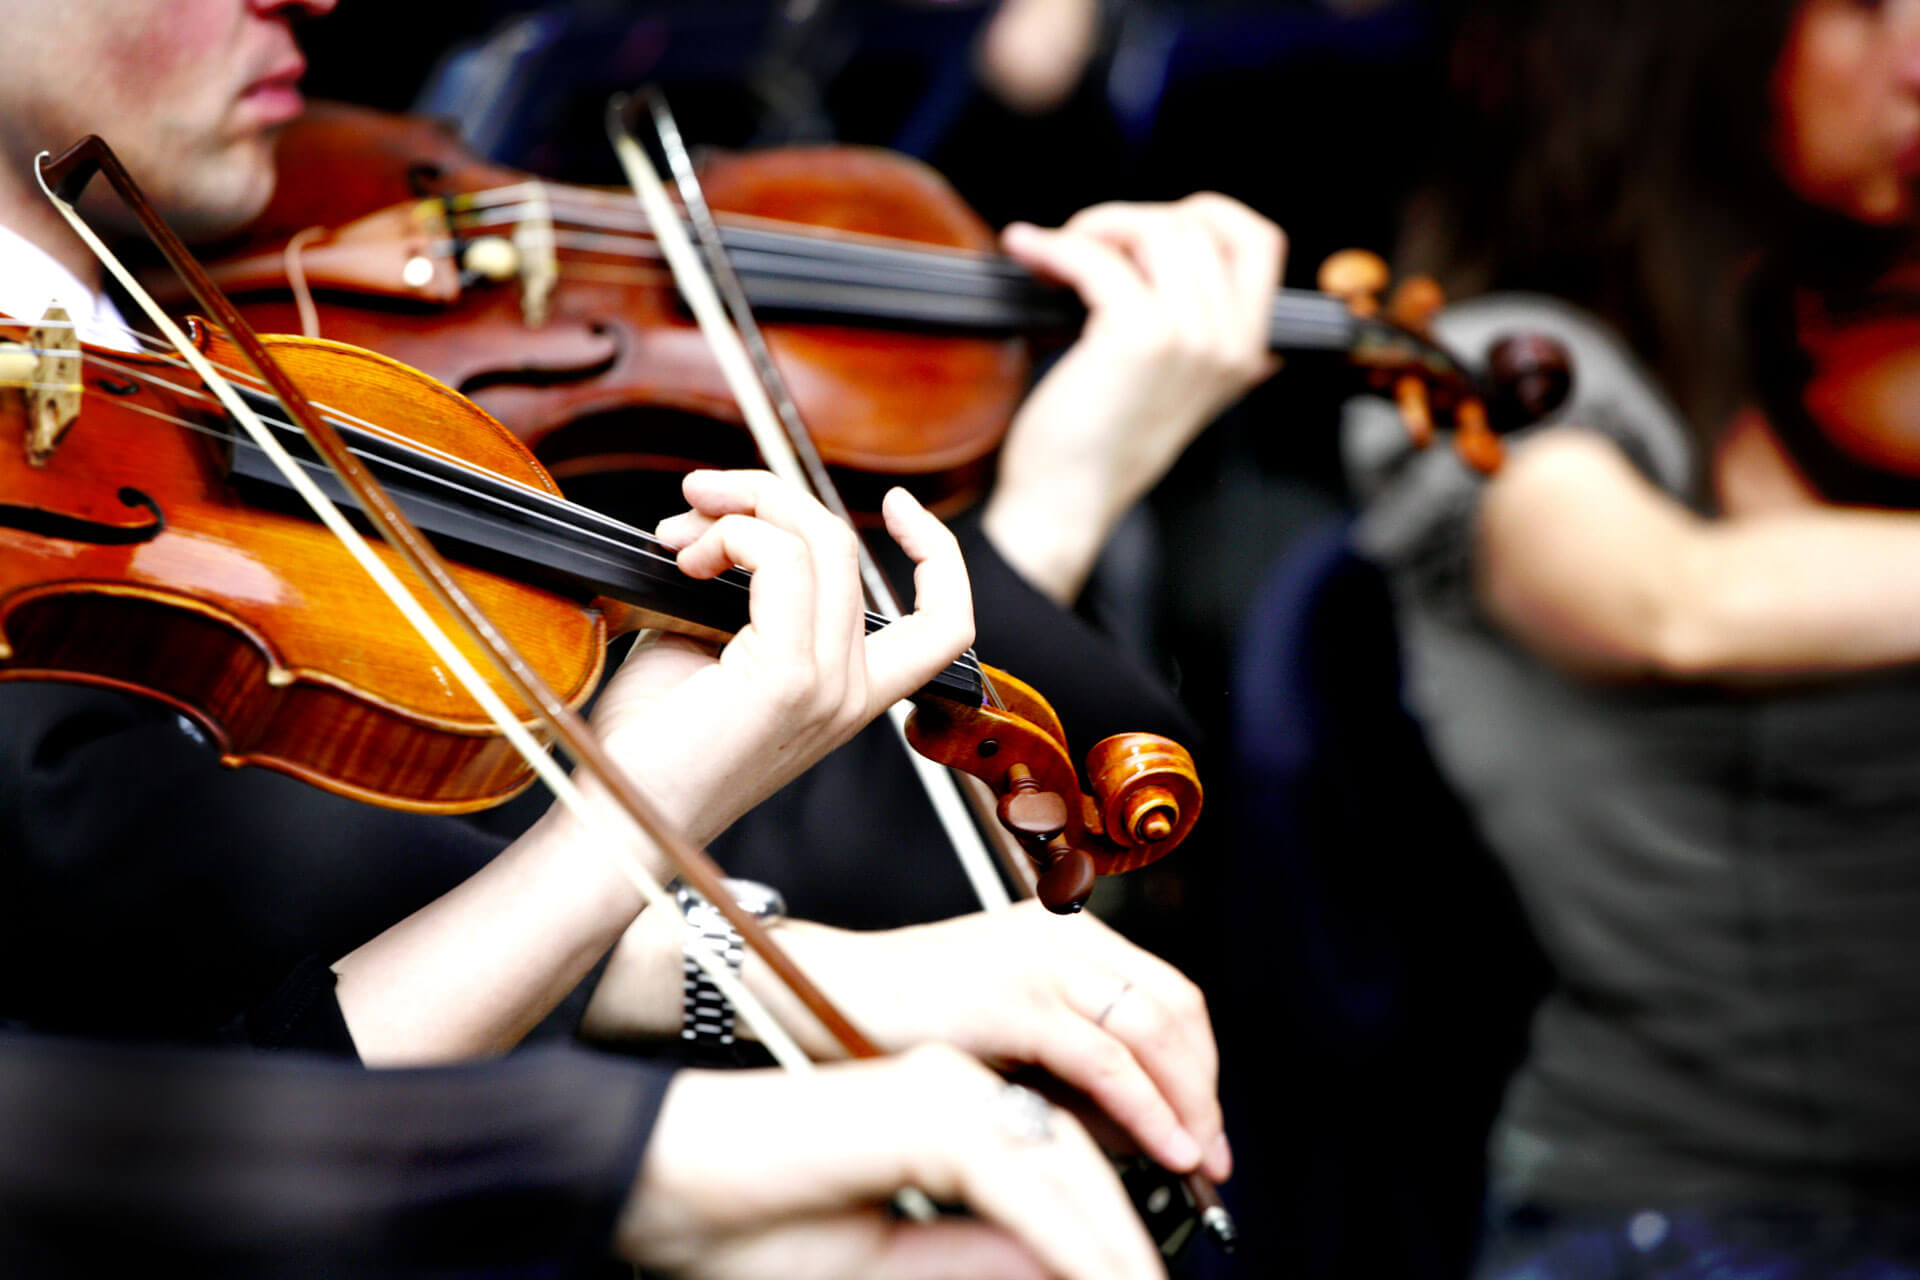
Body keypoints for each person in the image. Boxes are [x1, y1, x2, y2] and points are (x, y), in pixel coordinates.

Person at [0, 0, 1236, 1272]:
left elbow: (316, 925)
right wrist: (651, 889)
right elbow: (157, 1099)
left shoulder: (190, 376)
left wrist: (773, 958)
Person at [1341, 0, 1920, 1274]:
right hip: (1693, 1225)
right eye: (1860, 7)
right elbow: (1670, 604)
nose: (1917, 57)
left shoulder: (1858, 330)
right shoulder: (1500, 366)